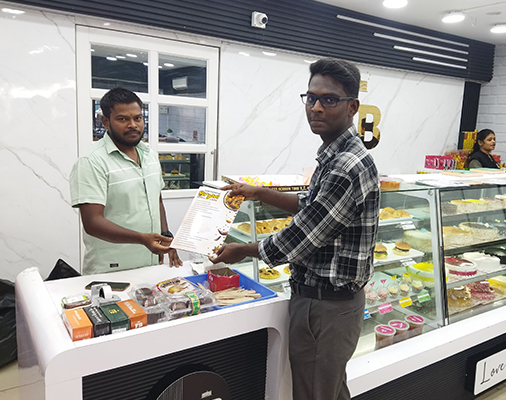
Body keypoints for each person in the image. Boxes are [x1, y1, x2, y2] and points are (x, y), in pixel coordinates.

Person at [211, 58, 379, 400]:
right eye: (311, 97)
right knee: (328, 390)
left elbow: (300, 238)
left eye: (329, 99)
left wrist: (242, 250)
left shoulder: (346, 165)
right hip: (327, 305)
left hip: (325, 308)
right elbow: (311, 207)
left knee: (314, 393)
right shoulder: (335, 155)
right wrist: (259, 193)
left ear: (352, 106)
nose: (316, 107)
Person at [70, 87, 182, 275]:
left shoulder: (149, 155)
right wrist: (142, 239)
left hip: (150, 263)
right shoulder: (91, 162)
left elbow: (157, 201)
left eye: (137, 118)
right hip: (112, 269)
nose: (133, 125)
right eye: (123, 119)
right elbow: (92, 222)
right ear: (106, 122)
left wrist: (166, 236)